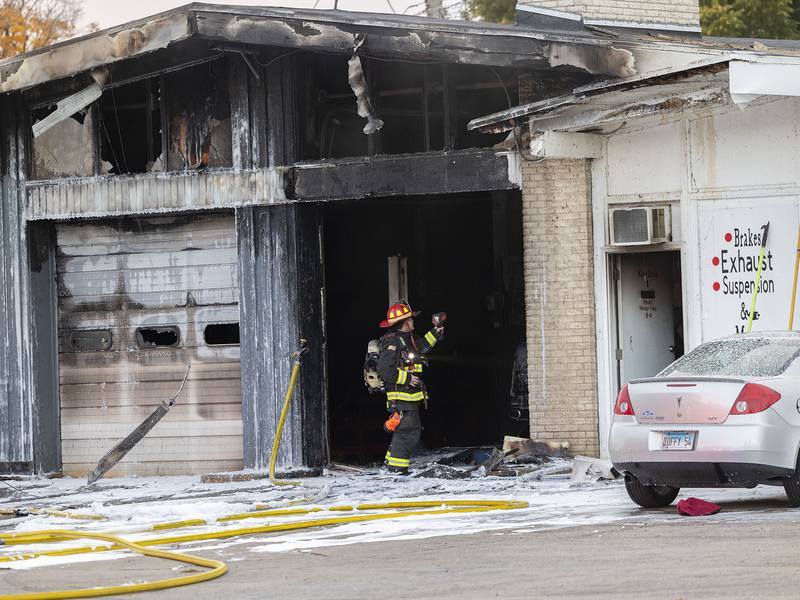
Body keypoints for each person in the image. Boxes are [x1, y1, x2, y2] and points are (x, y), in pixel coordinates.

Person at [376, 301, 444, 475]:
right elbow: (384, 370)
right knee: (407, 432)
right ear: (405, 322)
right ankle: (398, 469)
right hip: (400, 398)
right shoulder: (392, 342)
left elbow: (421, 346)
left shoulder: (408, 339)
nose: (413, 321)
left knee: (403, 430)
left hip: (409, 398)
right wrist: (406, 378)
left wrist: (435, 333)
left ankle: (390, 465)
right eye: (411, 318)